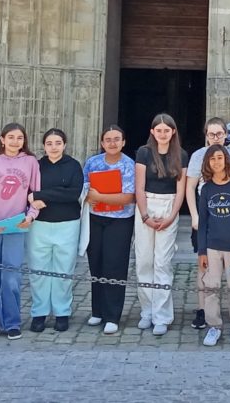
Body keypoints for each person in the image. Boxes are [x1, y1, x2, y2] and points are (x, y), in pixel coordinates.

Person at [186, 117, 230, 329]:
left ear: (225, 135)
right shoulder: (199, 155)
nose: (215, 138)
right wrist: (194, 216)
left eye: (219, 134)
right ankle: (203, 311)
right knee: (205, 267)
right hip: (206, 215)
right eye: (211, 134)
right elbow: (190, 187)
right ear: (206, 134)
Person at [0, 122, 40, 341]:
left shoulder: (30, 162)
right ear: (2, 139)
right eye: (10, 137)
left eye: (19, 138)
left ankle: (12, 321)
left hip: (16, 225)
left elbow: (36, 194)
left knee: (11, 275)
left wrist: (30, 216)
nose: (15, 142)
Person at [134, 113, 189, 336]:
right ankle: (147, 311)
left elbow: (181, 190)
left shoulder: (181, 155)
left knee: (162, 263)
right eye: (159, 130)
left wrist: (172, 215)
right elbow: (139, 186)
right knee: (144, 261)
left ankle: (162, 316)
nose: (163, 134)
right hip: (146, 206)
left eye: (167, 130)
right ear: (152, 131)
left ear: (173, 132)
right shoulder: (144, 153)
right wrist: (145, 215)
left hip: (169, 207)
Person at [81, 125, 137, 334]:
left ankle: (113, 315)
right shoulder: (92, 162)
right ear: (102, 142)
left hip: (119, 221)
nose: (112, 143)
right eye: (108, 139)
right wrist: (88, 198)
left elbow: (128, 197)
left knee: (115, 265)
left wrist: (99, 197)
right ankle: (98, 311)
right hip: (95, 219)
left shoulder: (128, 165)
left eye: (117, 139)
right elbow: (84, 188)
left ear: (123, 142)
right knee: (96, 263)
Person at [27, 128, 83, 333]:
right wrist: (36, 196)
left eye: (58, 143)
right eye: (49, 143)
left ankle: (62, 313)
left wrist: (42, 194)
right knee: (38, 270)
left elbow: (72, 193)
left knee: (63, 269)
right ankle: (39, 313)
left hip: (67, 224)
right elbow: (27, 191)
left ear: (65, 144)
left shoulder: (73, 166)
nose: (54, 147)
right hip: (40, 224)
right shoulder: (36, 166)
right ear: (44, 145)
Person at [197, 145, 230, 346]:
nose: (216, 162)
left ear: (226, 160)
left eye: (220, 157)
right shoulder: (207, 188)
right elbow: (203, 223)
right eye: (212, 159)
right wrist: (202, 250)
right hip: (212, 247)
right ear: (208, 163)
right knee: (211, 287)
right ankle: (213, 326)